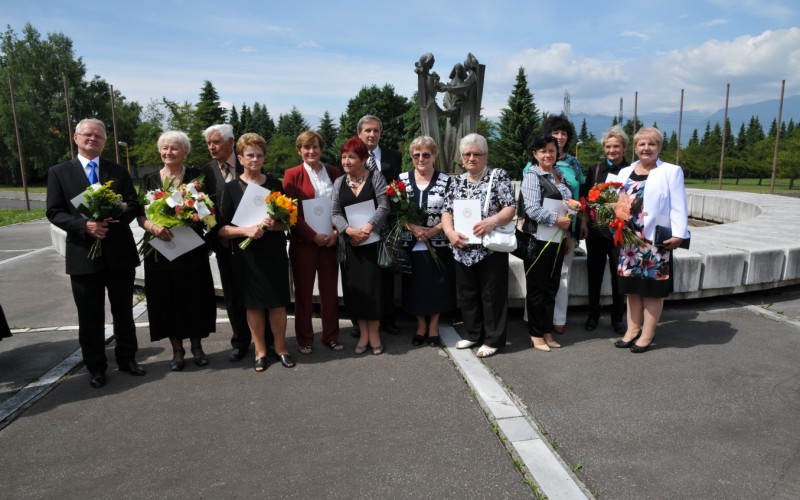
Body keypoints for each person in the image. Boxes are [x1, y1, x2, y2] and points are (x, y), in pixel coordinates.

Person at [46, 118, 145, 388]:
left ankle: (127, 358)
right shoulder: (59, 172)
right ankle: (96, 367)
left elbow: (133, 204)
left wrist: (114, 216)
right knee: (90, 316)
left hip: (119, 253)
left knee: (123, 311)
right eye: (88, 134)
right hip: (83, 254)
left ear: (104, 141)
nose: (93, 139)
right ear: (76, 138)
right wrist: (85, 226)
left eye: (99, 136)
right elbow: (54, 211)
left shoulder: (118, 170)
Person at [137, 131, 216, 371]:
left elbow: (207, 209)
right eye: (165, 148)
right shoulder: (149, 180)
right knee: (166, 297)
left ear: (185, 152)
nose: (168, 152)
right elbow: (140, 215)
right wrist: (153, 227)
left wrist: (194, 215)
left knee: (194, 296)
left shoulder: (196, 177)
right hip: (160, 248)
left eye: (174, 148)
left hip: (191, 248)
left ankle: (197, 346)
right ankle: (177, 350)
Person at [218, 133, 295, 371]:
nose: (255, 159)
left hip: (274, 253)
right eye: (249, 155)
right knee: (253, 305)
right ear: (240, 158)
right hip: (246, 256)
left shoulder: (275, 185)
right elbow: (221, 230)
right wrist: (245, 230)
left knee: (278, 304)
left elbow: (288, 224)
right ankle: (260, 351)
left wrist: (275, 225)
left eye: (259, 155)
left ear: (264, 157)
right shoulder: (230, 189)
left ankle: (281, 348)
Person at [200, 124, 273, 362]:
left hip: (258, 244)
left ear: (231, 142)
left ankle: (267, 341)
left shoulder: (252, 161)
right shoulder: (205, 172)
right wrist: (218, 237)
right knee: (233, 294)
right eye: (208, 143)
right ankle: (240, 341)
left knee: (260, 295)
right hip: (225, 244)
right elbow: (203, 208)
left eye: (216, 142)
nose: (211, 147)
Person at [614, 127, 688, 353]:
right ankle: (632, 330)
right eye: (642, 144)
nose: (646, 148)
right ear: (635, 148)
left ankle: (647, 334)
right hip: (628, 240)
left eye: (652, 144)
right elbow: (615, 201)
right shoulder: (624, 172)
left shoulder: (671, 171)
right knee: (632, 288)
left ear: (659, 147)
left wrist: (679, 234)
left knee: (652, 289)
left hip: (655, 241)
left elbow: (679, 204)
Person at [442, 133, 516, 358]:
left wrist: (491, 221)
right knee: (468, 294)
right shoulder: (456, 181)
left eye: (477, 154)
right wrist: (450, 233)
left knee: (492, 295)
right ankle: (473, 333)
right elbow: (447, 211)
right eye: (467, 154)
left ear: (485, 156)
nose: (471, 158)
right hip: (462, 248)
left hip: (490, 248)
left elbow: (510, 207)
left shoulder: (498, 176)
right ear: (461, 157)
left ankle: (493, 339)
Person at [283, 131, 343, 355]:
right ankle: (305, 338)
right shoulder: (292, 174)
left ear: (321, 149)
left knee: (329, 292)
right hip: (303, 243)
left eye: (315, 147)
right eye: (306, 147)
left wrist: (336, 232)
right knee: (303, 293)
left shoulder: (333, 172)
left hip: (329, 243)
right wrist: (312, 235)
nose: (311, 151)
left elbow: (340, 205)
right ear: (299, 150)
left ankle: (331, 336)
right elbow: (290, 212)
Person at [331, 137, 390, 355]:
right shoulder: (339, 182)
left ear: (363, 159)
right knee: (355, 293)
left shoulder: (376, 177)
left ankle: (374, 335)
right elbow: (334, 213)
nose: (346, 161)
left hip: (372, 244)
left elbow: (384, 205)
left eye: (351, 157)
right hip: (350, 247)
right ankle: (363, 334)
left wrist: (368, 228)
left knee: (373, 291)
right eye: (344, 157)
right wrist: (348, 230)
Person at [398, 136, 456, 347]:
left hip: (438, 243)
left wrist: (434, 230)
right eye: (416, 155)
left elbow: (452, 211)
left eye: (426, 154)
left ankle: (433, 326)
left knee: (437, 286)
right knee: (414, 287)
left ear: (434, 156)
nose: (421, 159)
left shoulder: (446, 181)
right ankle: (421, 325)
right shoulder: (402, 180)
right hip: (411, 243)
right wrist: (412, 228)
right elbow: (396, 212)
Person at [519, 134, 574, 352]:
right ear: (535, 154)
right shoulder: (532, 176)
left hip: (557, 239)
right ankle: (535, 333)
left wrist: (567, 228)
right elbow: (532, 209)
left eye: (552, 150)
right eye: (543, 151)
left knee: (552, 287)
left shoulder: (559, 173)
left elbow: (565, 204)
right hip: (538, 241)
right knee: (537, 289)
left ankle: (547, 330)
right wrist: (556, 220)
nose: (548, 155)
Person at [580, 125, 630, 334]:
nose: (612, 150)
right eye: (608, 147)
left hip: (620, 232)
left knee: (619, 275)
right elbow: (585, 200)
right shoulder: (595, 170)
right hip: (596, 231)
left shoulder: (631, 171)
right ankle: (593, 314)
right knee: (594, 274)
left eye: (616, 146)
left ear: (624, 148)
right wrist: (584, 222)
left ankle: (617, 317)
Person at [355, 115, 401, 336]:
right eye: (368, 130)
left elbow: (398, 189)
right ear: (359, 134)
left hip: (386, 224)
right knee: (362, 274)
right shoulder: (351, 157)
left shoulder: (394, 157)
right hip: (359, 224)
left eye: (376, 130)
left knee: (386, 272)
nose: (372, 134)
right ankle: (360, 322)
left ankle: (388, 319)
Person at [541, 113, 584, 335]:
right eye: (555, 132)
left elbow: (581, 193)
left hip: (568, 227)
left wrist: (582, 221)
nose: (559, 136)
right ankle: (536, 317)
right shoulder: (537, 161)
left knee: (564, 273)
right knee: (540, 273)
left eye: (563, 133)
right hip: (542, 227)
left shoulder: (573, 164)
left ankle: (558, 317)